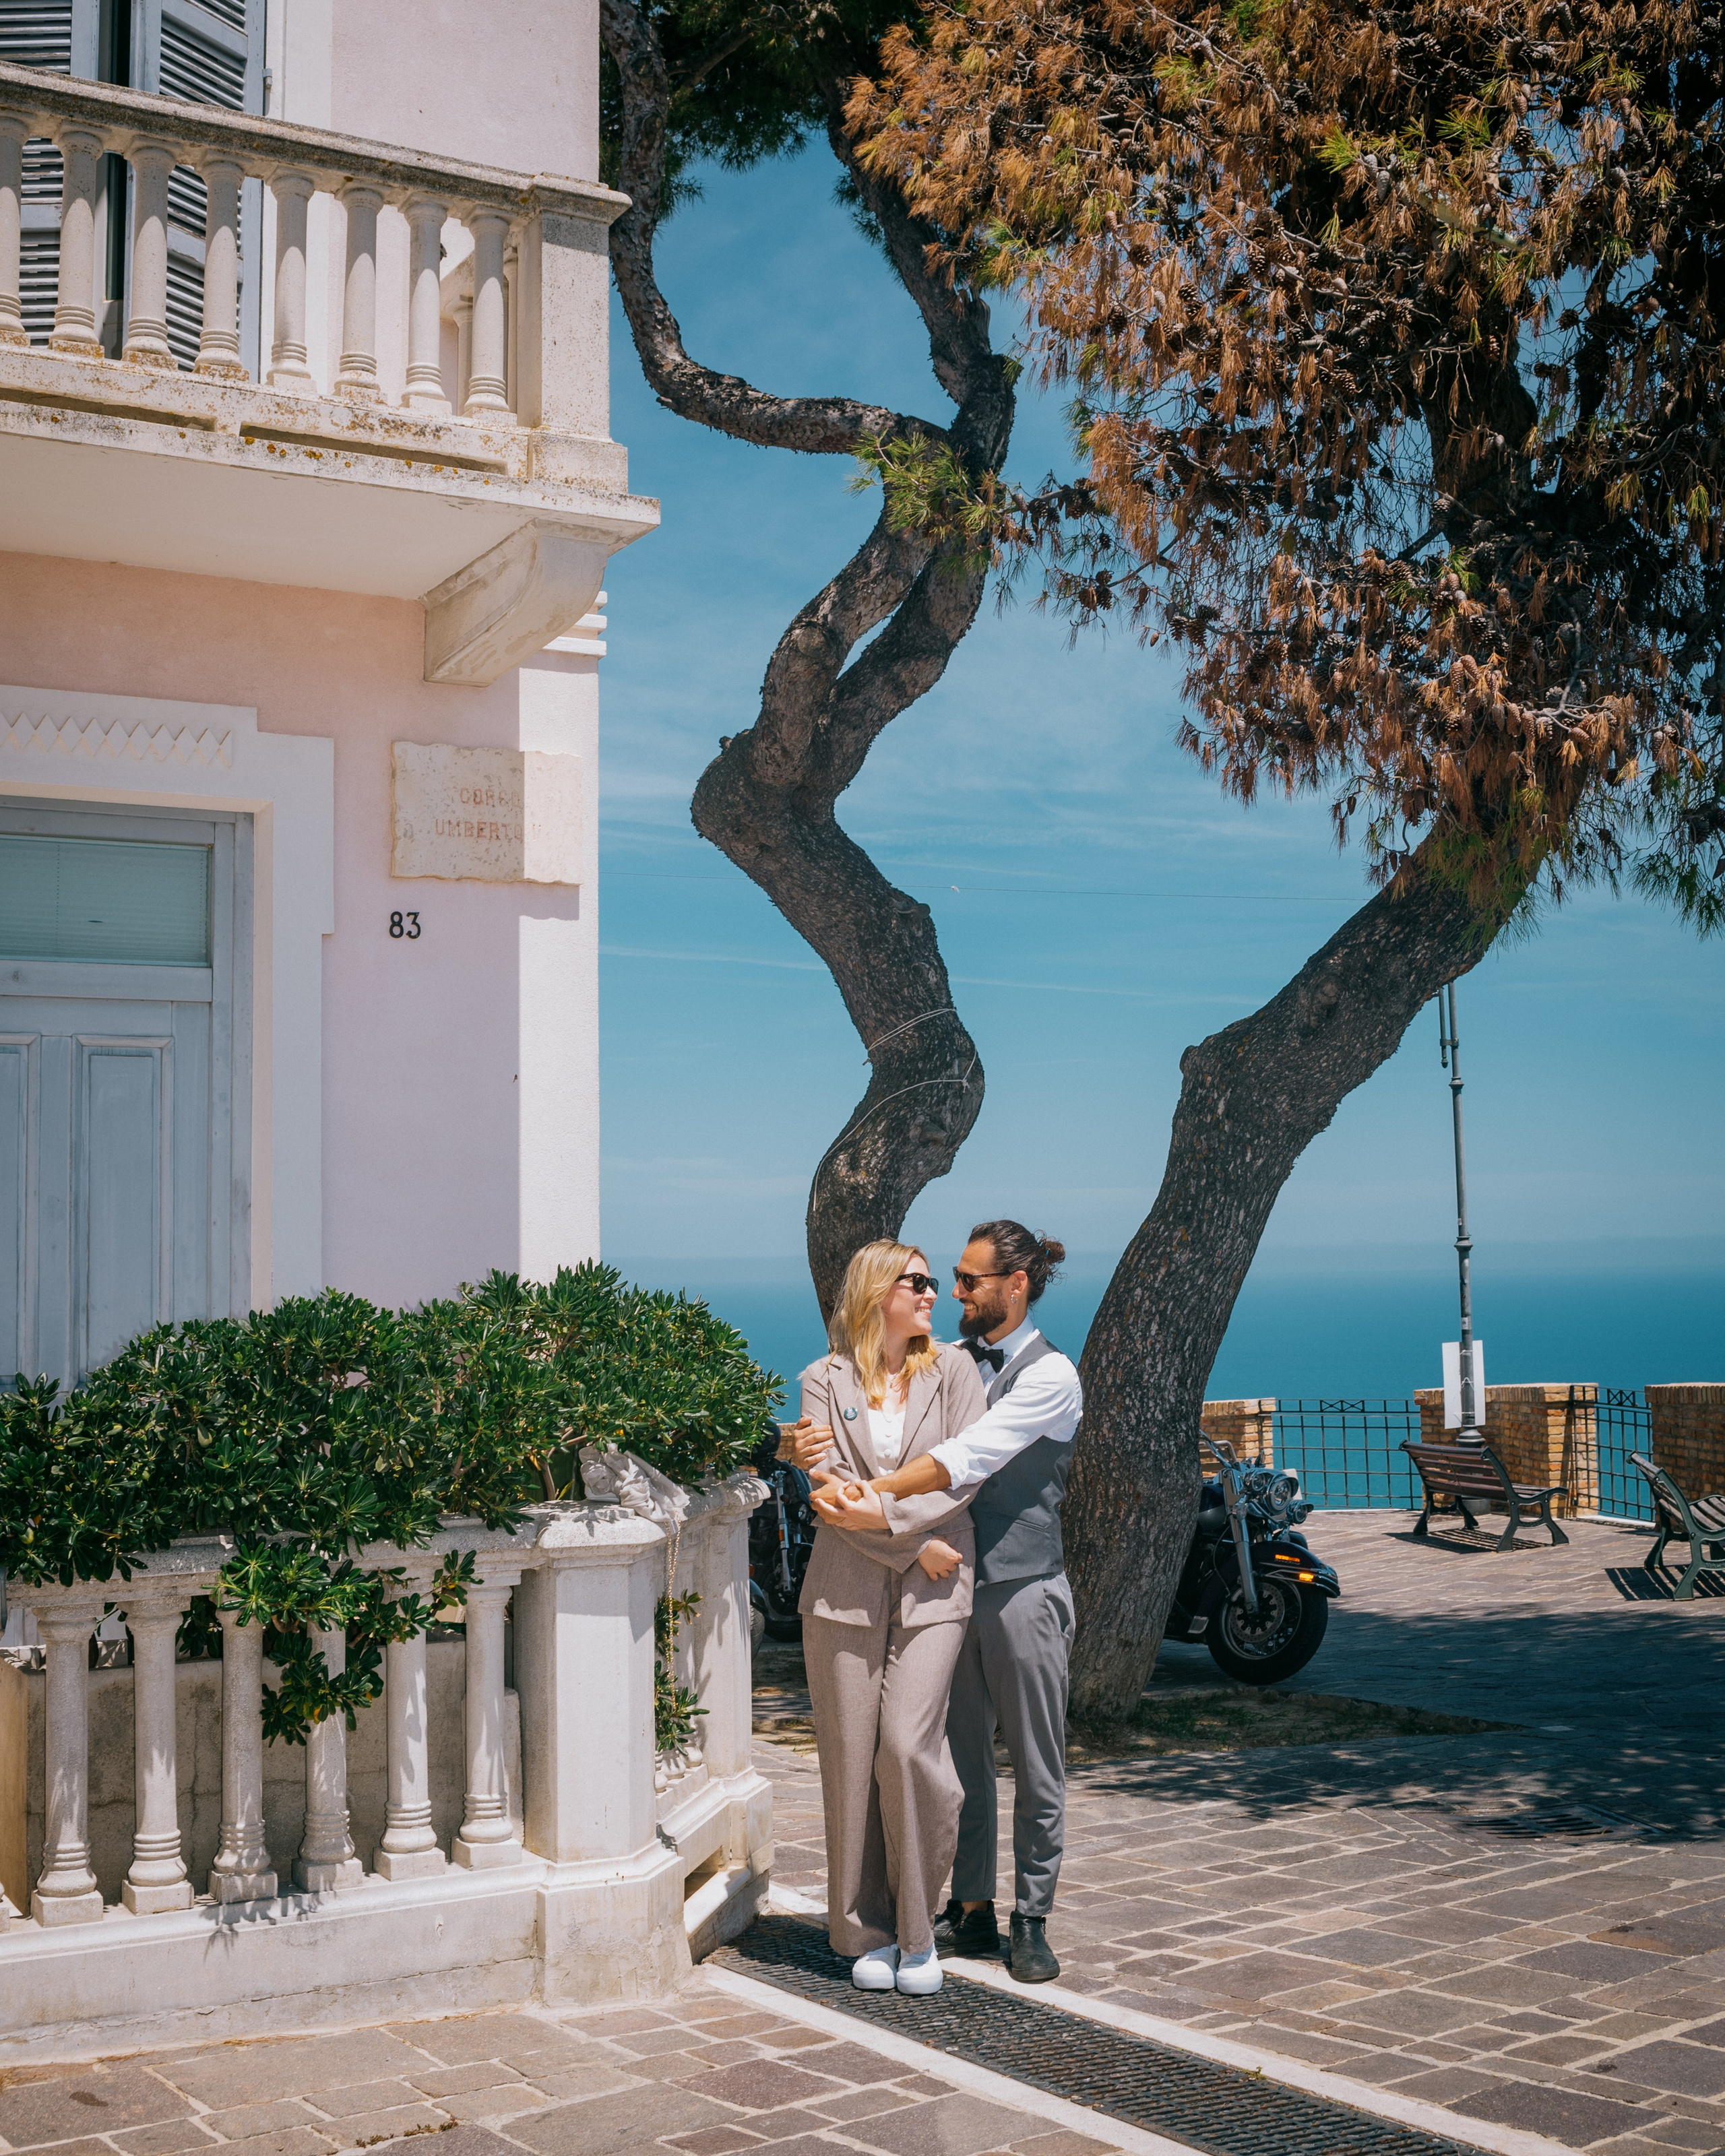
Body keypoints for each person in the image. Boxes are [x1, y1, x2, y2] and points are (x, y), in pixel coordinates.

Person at [802, 1220, 1081, 1984]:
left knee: (1035, 1759)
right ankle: (969, 1908)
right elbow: (850, 1424)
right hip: (940, 1585)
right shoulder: (949, 1361)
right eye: (940, 1279)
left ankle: (1031, 1915)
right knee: (949, 1757)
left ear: (1014, 1284)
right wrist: (814, 1460)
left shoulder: (1051, 1373)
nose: (951, 1291)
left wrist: (876, 1500)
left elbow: (966, 1459)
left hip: (1020, 1585)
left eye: (967, 1280)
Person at [777, 1238, 989, 1996]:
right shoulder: (820, 1380)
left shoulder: (956, 1370)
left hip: (939, 1593)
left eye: (934, 1282)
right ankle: (861, 1930)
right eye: (918, 1281)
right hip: (844, 1588)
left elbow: (963, 1471)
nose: (933, 1293)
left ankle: (917, 1931)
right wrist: (915, 1543)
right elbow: (828, 1494)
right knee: (849, 1757)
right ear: (876, 1292)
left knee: (906, 1746)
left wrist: (914, 1530)